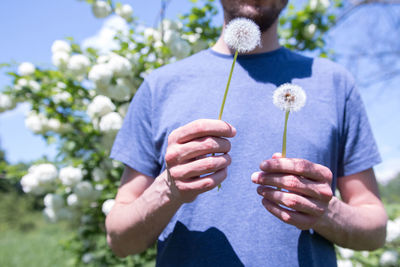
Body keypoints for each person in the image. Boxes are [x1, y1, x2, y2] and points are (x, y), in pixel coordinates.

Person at [106, 0, 388, 266]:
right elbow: (120, 240)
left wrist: (324, 212)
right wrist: (168, 189)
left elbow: (374, 232)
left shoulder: (335, 85)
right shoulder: (159, 86)